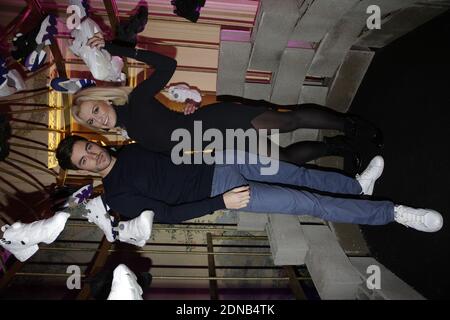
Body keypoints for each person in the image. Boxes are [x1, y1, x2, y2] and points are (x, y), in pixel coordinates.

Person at [70, 33, 383, 168]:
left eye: (95, 110)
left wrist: (116, 48)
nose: (97, 119)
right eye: (90, 121)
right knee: (285, 159)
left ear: (104, 99)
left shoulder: (136, 99)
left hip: (220, 121)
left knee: (289, 121)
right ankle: (338, 146)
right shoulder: (127, 138)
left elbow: (168, 66)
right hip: (222, 143)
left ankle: (351, 124)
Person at [55, 135, 443, 233]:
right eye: (84, 160)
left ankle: (359, 188)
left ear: (96, 142)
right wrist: (219, 200)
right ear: (82, 170)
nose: (93, 156)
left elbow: (175, 146)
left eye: (89, 147)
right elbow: (169, 215)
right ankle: (393, 213)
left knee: (301, 174)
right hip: (228, 194)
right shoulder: (118, 196)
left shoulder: (132, 151)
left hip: (225, 162)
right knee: (308, 203)